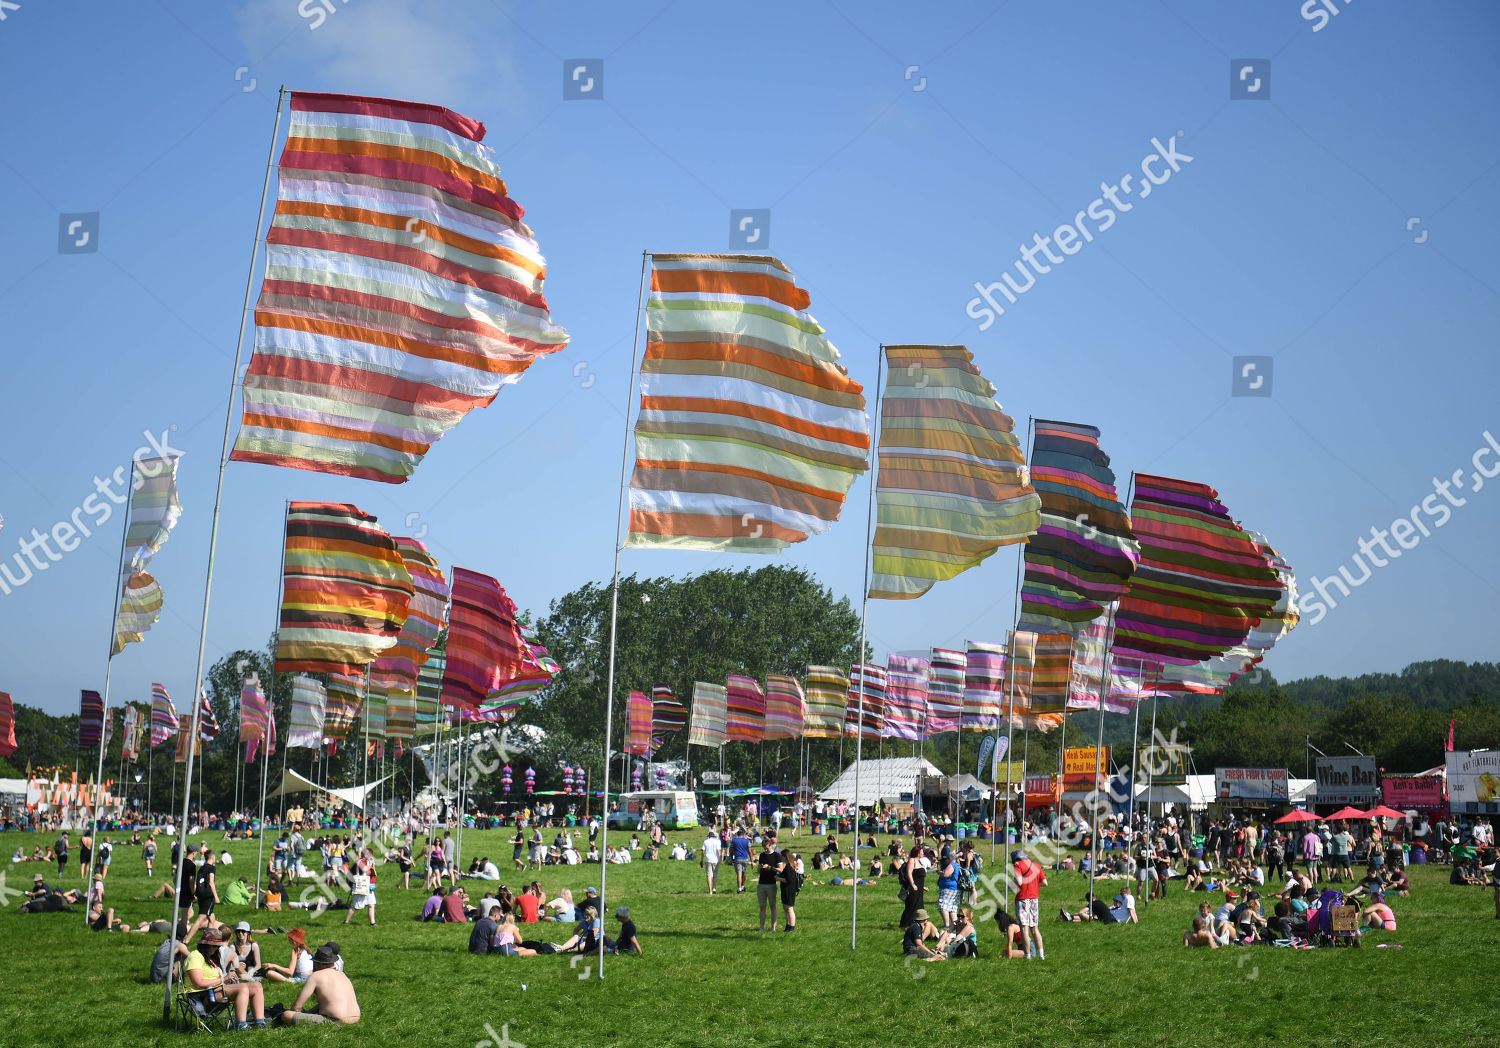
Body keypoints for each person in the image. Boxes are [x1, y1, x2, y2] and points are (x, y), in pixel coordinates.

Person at [184, 925, 267, 1029]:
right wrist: (224, 979)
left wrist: (231, 975)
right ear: (205, 945)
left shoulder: (210, 958)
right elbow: (198, 983)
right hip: (202, 996)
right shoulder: (195, 956)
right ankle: (241, 1025)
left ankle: (260, 1022)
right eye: (214, 946)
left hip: (216, 990)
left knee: (257, 986)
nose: (217, 948)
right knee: (243, 988)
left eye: (218, 946)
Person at [278, 945, 360, 1025]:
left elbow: (297, 1007)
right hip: (355, 1018)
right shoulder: (342, 974)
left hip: (337, 1021)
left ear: (318, 963)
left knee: (287, 1015)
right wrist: (309, 1012)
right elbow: (330, 1001)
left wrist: (292, 1014)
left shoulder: (316, 976)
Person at [1012, 850, 1047, 960]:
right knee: (1035, 928)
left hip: (1023, 899)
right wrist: (1034, 885)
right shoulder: (1036, 865)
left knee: (1024, 929)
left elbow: (1019, 882)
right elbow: (1045, 883)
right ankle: (1041, 955)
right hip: (1034, 899)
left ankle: (1027, 956)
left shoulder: (1017, 865)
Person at [756, 838, 784, 932]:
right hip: (761, 884)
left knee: (772, 906)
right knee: (762, 907)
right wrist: (760, 867)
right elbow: (758, 870)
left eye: (766, 847)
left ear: (771, 845)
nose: (765, 849)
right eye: (764, 847)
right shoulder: (762, 855)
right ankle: (761, 928)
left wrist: (770, 868)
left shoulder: (777, 855)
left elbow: (780, 869)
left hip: (772, 883)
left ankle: (773, 927)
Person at [343, 849, 377, 926]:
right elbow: (365, 869)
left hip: (369, 886)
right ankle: (345, 921)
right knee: (356, 906)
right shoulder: (360, 861)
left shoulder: (369, 861)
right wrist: (370, 865)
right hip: (361, 885)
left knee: (371, 904)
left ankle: (372, 923)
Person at [778, 847, 802, 932]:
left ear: (785, 857)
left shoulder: (789, 867)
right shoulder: (788, 866)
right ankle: (787, 925)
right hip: (785, 889)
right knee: (785, 907)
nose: (781, 858)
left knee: (790, 908)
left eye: (782, 856)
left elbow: (788, 879)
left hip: (789, 889)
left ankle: (792, 926)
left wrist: (778, 879)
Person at [730, 827, 752, 894]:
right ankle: (742, 886)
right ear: (743, 835)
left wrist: (731, 858)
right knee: (744, 873)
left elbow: (731, 851)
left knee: (739, 874)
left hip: (737, 858)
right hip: (745, 858)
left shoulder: (734, 840)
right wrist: (752, 860)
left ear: (737, 834)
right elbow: (750, 851)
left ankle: (739, 888)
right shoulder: (747, 841)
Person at [702, 828, 722, 894]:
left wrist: (701, 860)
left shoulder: (705, 841)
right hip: (715, 860)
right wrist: (720, 859)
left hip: (708, 860)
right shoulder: (717, 841)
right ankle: (714, 888)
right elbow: (719, 851)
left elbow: (703, 852)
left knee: (709, 875)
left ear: (709, 836)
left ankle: (710, 890)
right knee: (715, 875)